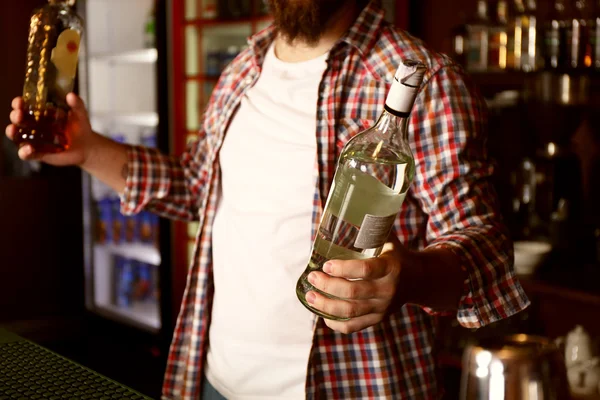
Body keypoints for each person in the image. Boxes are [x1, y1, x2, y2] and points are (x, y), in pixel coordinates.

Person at [6, 0, 530, 398]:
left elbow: (486, 246)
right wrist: (89, 149)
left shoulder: (421, 78)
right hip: (212, 380)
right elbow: (197, 188)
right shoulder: (245, 66)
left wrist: (408, 275)